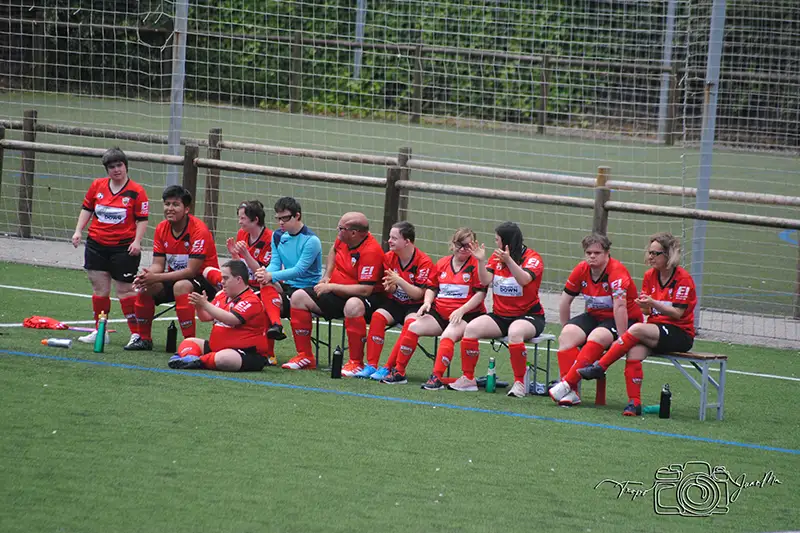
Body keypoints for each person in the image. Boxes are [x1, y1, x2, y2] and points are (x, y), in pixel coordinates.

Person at [577, 232, 697, 416]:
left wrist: (653, 303)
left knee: (637, 328)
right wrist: (644, 306)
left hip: (679, 333)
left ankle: (601, 366)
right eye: (650, 252)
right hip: (656, 330)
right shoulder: (650, 275)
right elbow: (648, 312)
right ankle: (634, 403)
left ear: (668, 255)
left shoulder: (683, 279)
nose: (651, 257)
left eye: (656, 253)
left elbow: (677, 313)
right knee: (633, 351)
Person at [380, 227, 488, 386]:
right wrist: (427, 303)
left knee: (448, 335)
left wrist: (461, 310)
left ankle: (436, 377)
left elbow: (481, 294)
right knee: (413, 327)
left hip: (466, 315)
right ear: (452, 245)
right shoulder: (443, 263)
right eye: (460, 244)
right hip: (440, 312)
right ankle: (399, 372)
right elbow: (432, 287)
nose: (463, 249)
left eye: (468, 245)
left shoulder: (475, 265)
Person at [449, 222, 545, 397]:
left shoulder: (532, 257)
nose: (496, 243)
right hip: (501, 315)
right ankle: (468, 378)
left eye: (497, 240)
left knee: (515, 332)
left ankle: (519, 383)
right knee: (471, 329)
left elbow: (524, 280)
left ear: (507, 242)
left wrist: (509, 261)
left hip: (529, 316)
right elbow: (485, 281)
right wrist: (481, 261)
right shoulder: (495, 257)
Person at [548, 233, 643, 406]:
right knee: (567, 336)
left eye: (597, 253)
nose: (592, 256)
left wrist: (622, 340)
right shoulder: (582, 269)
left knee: (597, 337)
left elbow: (620, 307)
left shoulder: (617, 272)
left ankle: (567, 383)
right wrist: (566, 326)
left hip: (624, 319)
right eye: (588, 252)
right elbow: (565, 300)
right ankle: (572, 393)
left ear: (607, 253)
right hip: (595, 316)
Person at [282, 212, 383, 372]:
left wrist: (332, 287)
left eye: (341, 228)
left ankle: (356, 362)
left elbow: (365, 289)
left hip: (365, 299)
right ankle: (305, 356)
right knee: (298, 297)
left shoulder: (371, 251)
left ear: (354, 233)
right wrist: (327, 275)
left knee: (352, 305)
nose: (337, 230)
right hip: (336, 292)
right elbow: (334, 251)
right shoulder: (343, 239)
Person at [125, 185, 219, 350]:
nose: (170, 208)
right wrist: (146, 275)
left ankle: (190, 343)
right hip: (175, 277)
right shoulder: (162, 228)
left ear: (186, 209)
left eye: (175, 204)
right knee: (144, 287)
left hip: (205, 280)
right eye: (167, 204)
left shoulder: (199, 231)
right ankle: (144, 339)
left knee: (181, 286)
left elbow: (191, 271)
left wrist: (157, 277)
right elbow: (158, 265)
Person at [71, 147, 149, 346]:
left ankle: (136, 334)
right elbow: (87, 209)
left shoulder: (137, 191)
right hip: (97, 245)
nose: (116, 170)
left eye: (119, 165)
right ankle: (100, 331)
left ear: (126, 166)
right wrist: (79, 231)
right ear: (107, 170)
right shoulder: (97, 186)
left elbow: (142, 219)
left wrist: (137, 241)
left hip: (124, 248)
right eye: (112, 167)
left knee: (125, 291)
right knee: (100, 289)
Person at [353, 221, 435, 379]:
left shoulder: (423, 262)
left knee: (410, 324)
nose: (389, 241)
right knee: (377, 316)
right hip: (396, 302)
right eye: (390, 237)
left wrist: (399, 281)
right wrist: (390, 286)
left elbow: (418, 294)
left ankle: (389, 367)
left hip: (415, 305)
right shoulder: (389, 258)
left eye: (394, 238)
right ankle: (371, 365)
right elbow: (390, 288)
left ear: (407, 242)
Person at [204, 200, 278, 364]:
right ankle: (222, 302)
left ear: (255, 220)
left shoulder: (270, 239)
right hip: (243, 283)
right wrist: (235, 256)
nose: (240, 222)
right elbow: (240, 269)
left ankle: (269, 352)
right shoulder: (242, 234)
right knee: (208, 271)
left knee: (262, 299)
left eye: (243, 218)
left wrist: (245, 254)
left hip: (263, 285)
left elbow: (262, 273)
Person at [167, 260, 269, 372]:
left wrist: (205, 304)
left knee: (224, 359)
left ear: (239, 279)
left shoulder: (251, 300)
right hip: (216, 348)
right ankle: (194, 359)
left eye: (225, 278)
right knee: (188, 342)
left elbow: (231, 319)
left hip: (246, 352)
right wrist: (199, 306)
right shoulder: (221, 295)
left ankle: (196, 360)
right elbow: (205, 317)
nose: (222, 282)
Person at [254, 196, 323, 345]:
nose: (280, 223)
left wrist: (271, 275)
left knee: (266, 301)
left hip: (307, 290)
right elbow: (275, 263)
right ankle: (276, 327)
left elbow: (299, 270)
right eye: (278, 218)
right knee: (263, 289)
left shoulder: (311, 240)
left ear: (297, 216)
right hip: (287, 287)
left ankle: (271, 344)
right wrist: (265, 273)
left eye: (285, 218)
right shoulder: (278, 236)